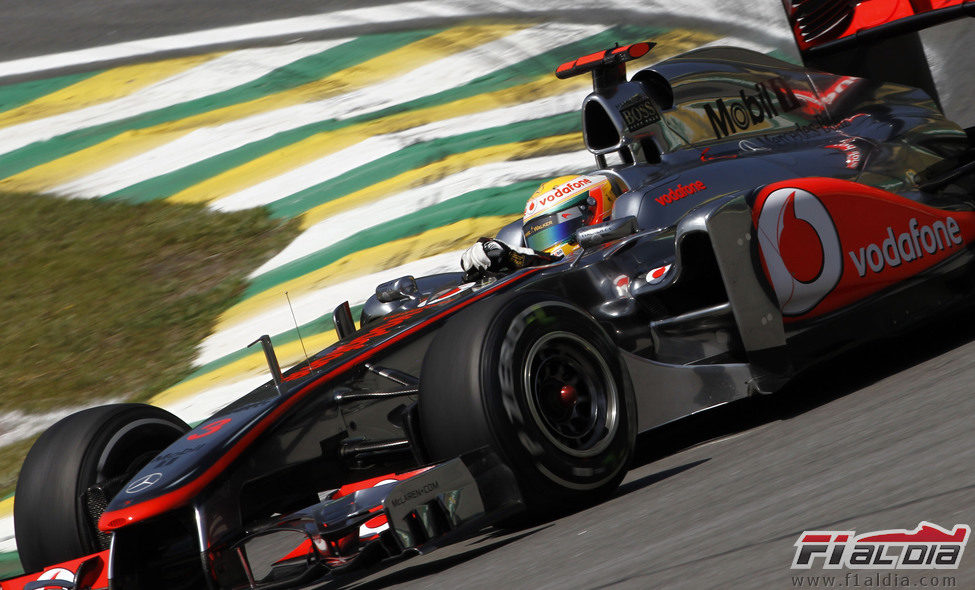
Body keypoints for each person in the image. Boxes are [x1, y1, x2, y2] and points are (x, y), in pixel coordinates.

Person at [460, 173, 619, 276]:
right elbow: (554, 262)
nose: (549, 244)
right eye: (540, 235)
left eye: (561, 227)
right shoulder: (548, 271)